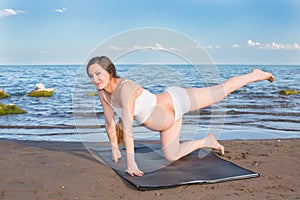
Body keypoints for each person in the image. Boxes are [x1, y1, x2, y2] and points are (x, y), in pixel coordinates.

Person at [86, 56, 275, 177]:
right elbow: (110, 122)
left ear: (109, 71)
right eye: (91, 76)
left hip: (175, 101)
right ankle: (206, 141)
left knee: (221, 92)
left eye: (98, 74)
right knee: (171, 155)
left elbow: (127, 126)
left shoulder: (125, 88)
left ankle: (256, 75)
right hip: (168, 123)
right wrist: (115, 150)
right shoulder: (103, 93)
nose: (95, 80)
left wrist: (131, 163)